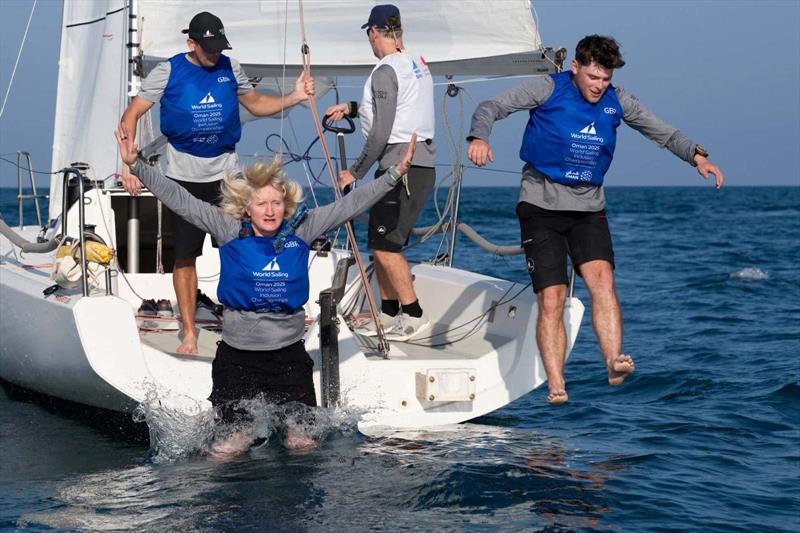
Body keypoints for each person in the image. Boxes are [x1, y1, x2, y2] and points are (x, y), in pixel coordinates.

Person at [115, 123, 418, 454]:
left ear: (285, 206)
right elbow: (181, 200)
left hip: (288, 360)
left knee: (302, 443)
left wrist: (393, 176)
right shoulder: (228, 229)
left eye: (276, 203)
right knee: (230, 446)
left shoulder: (302, 230)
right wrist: (137, 166)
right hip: (237, 361)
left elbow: (350, 205)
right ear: (248, 208)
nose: (270, 210)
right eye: (262, 204)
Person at [467, 35, 724, 405]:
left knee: (602, 280)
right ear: (575, 67)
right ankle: (556, 383)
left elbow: (662, 132)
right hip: (540, 204)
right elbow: (492, 106)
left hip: (588, 206)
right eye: (593, 78)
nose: (599, 86)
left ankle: (612, 362)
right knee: (552, 297)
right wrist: (479, 136)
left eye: (605, 79)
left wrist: (697, 156)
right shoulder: (547, 88)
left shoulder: (618, 101)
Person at [120, 11, 314, 355]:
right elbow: (132, 115)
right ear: (191, 43)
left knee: (243, 248)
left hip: (227, 178)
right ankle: (190, 332)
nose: (214, 54)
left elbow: (255, 104)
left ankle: (248, 322)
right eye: (208, 48)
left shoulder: (230, 67)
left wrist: (294, 96)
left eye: (218, 47)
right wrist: (128, 166)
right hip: (183, 179)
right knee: (185, 256)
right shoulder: (168, 70)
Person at [324, 4, 436, 342]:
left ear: (373, 32)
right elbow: (401, 107)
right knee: (379, 240)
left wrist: (354, 172)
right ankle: (388, 314)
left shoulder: (385, 71)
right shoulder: (417, 63)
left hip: (401, 167)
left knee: (387, 246)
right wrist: (353, 108)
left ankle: (413, 316)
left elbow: (382, 131)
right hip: (414, 165)